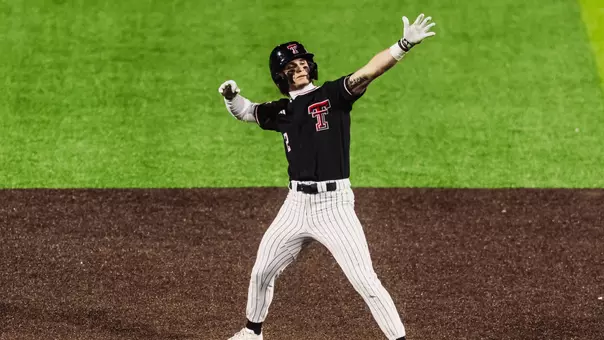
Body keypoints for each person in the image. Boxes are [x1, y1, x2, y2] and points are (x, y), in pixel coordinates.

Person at [217, 13, 436, 340]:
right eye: (293, 65)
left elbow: (369, 71)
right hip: (295, 205)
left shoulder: (334, 96)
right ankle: (252, 333)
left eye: (303, 61)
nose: (301, 67)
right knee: (263, 269)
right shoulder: (281, 112)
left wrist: (403, 45)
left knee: (365, 280)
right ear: (282, 75)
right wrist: (231, 97)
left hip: (334, 207)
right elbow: (247, 111)